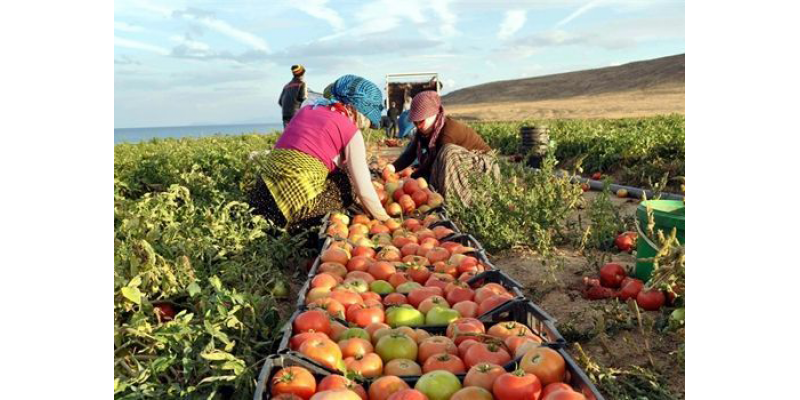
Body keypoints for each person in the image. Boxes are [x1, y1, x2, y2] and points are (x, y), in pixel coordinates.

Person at [250, 74, 390, 233]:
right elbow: (363, 190)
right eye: (366, 120)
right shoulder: (349, 130)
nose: (363, 127)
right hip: (293, 211)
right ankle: (301, 226)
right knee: (348, 184)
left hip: (261, 199)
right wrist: (386, 220)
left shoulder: (307, 110)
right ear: (355, 109)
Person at [391, 90, 499, 205]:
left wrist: (411, 179)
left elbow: (434, 161)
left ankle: (461, 202)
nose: (417, 126)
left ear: (433, 114)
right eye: (415, 123)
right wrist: (391, 168)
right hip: (461, 164)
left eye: (420, 121)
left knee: (447, 152)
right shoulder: (424, 130)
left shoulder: (448, 131)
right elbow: (410, 153)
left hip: (482, 166)